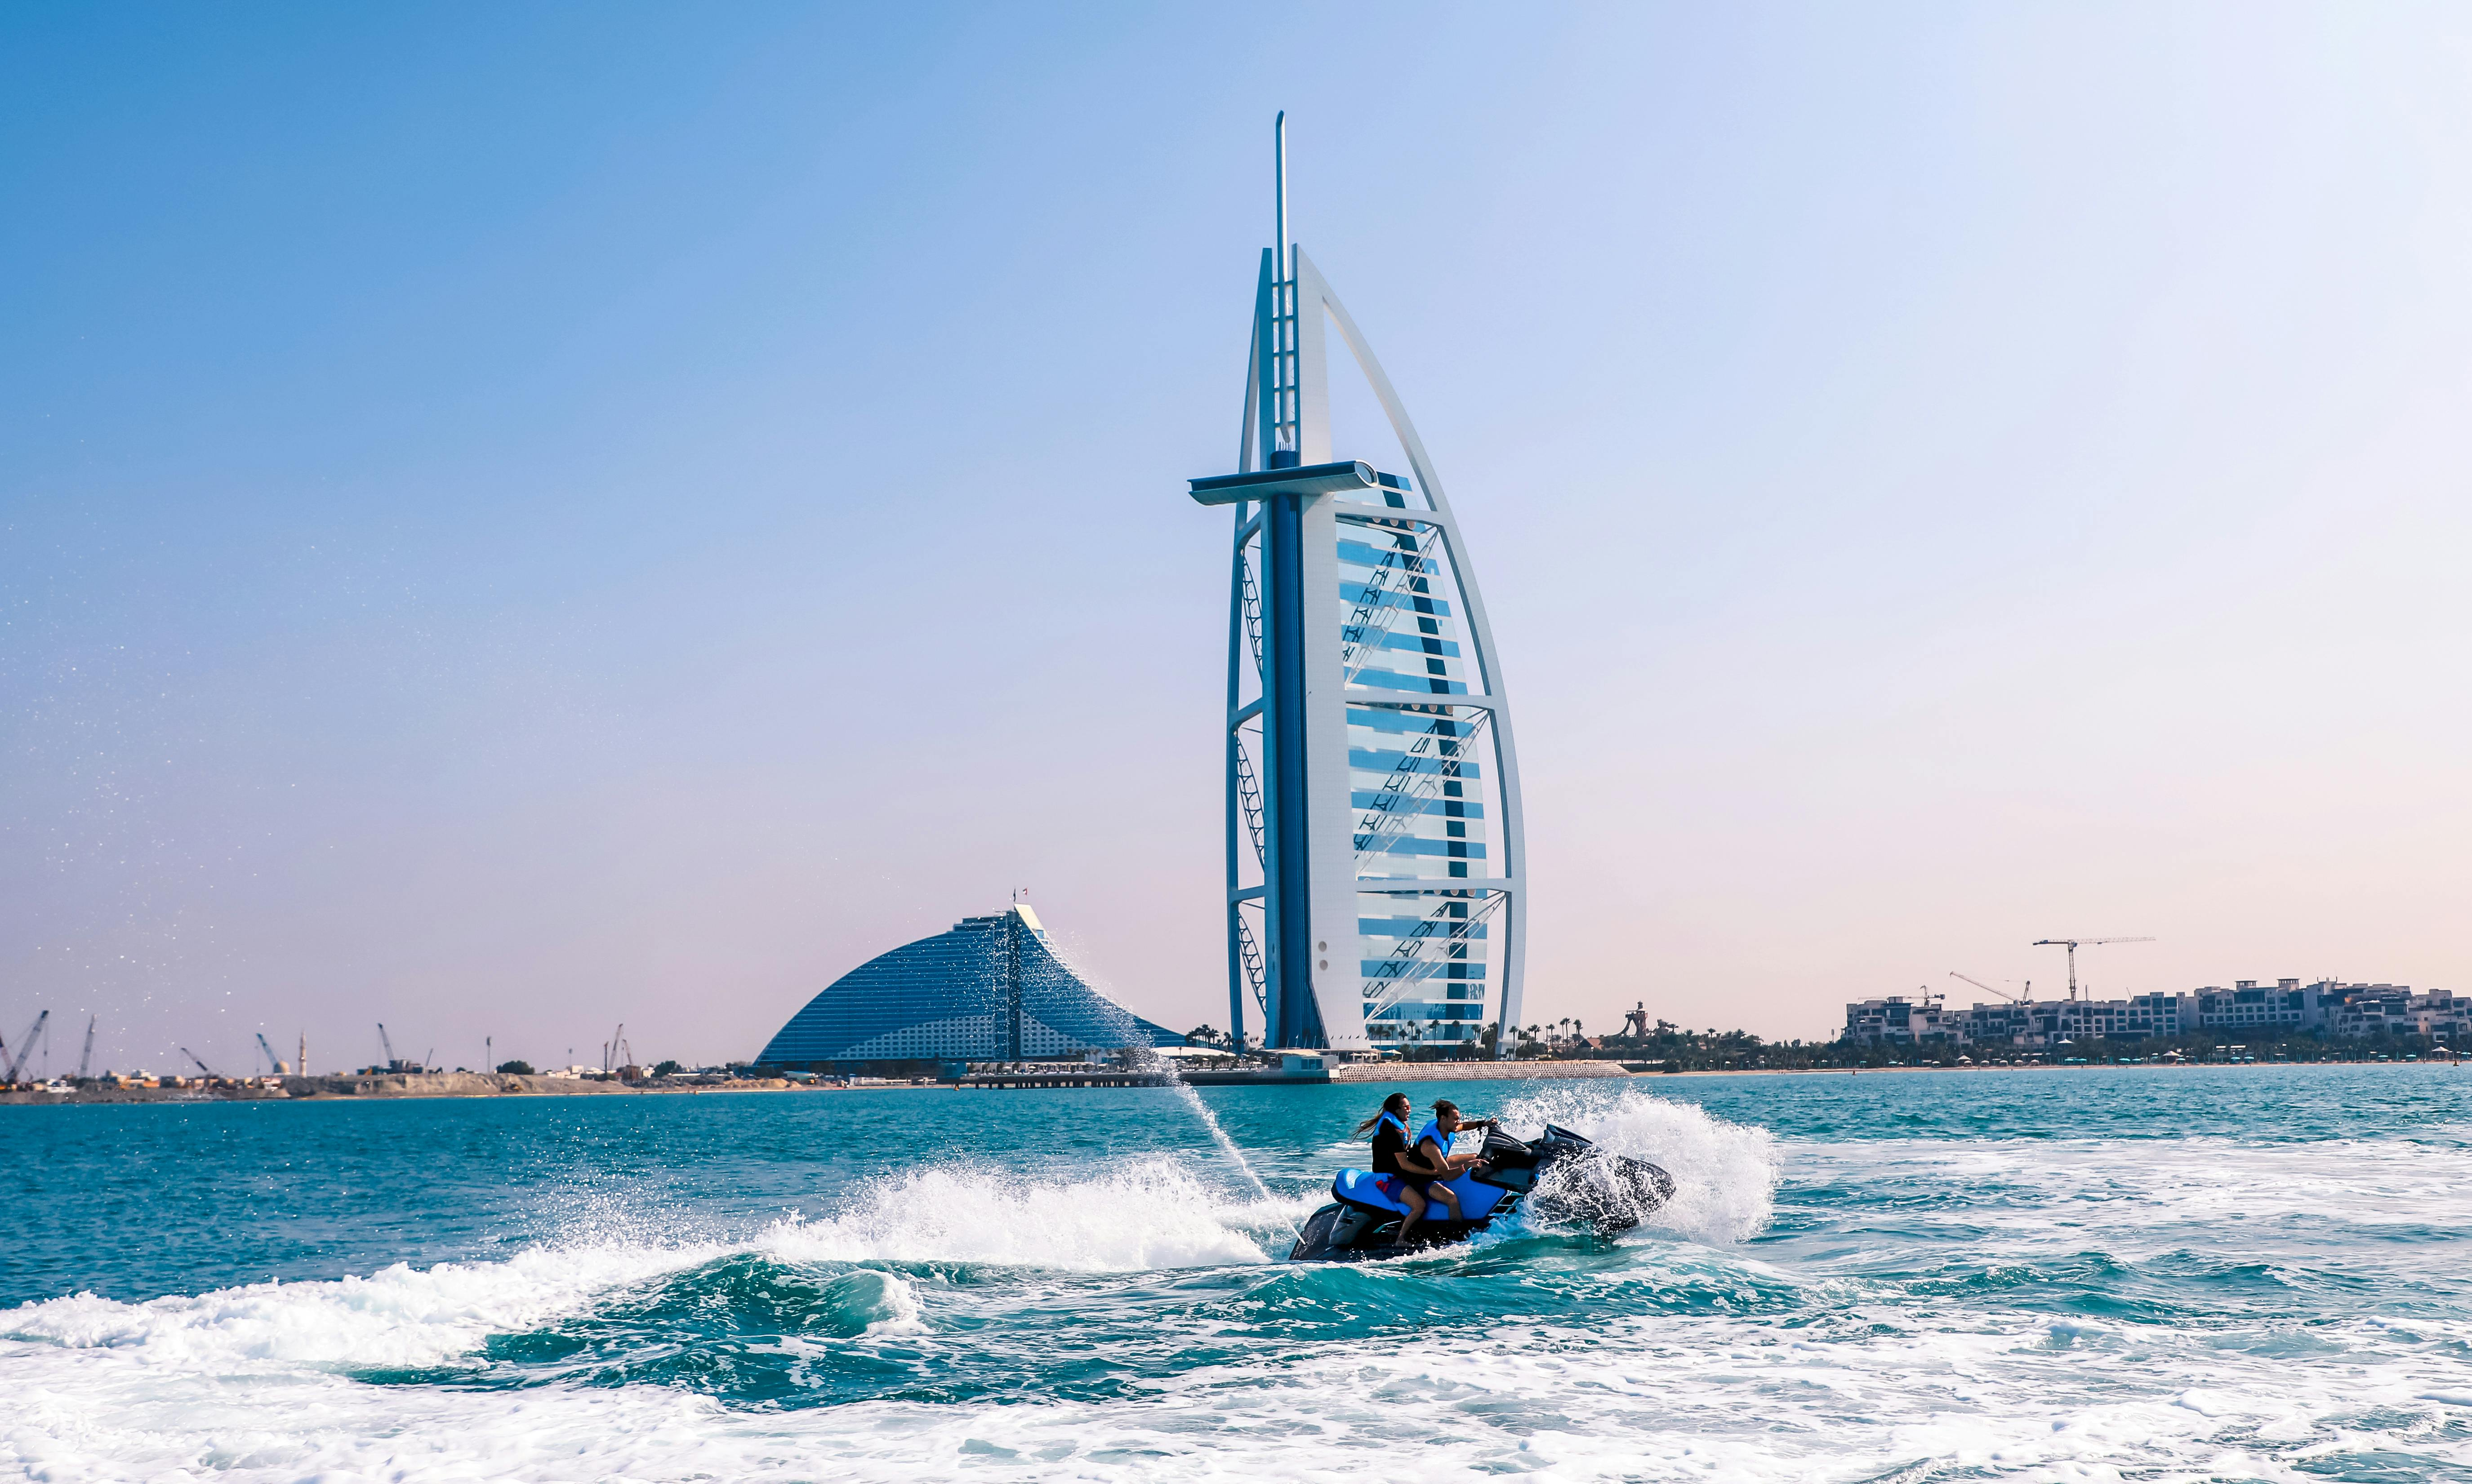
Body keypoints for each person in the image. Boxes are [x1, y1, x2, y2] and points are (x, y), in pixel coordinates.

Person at [1353, 1092, 1445, 1246]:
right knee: (1419, 1205)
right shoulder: (1391, 1130)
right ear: (1397, 1110)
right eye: (1406, 1107)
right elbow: (1405, 1165)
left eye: (1410, 1107)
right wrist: (1432, 1172)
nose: (1410, 1110)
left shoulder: (1398, 1126)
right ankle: (1400, 1239)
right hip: (1387, 1179)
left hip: (1399, 1175)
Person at [1410, 1100, 1498, 1226]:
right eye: (1456, 1119)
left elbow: (1463, 1126)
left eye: (1459, 1119)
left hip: (1437, 1166)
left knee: (1475, 1157)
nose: (1458, 1122)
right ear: (1443, 1118)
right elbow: (1447, 1176)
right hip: (1423, 1180)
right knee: (1452, 1199)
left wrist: (1484, 1123)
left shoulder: (1445, 1126)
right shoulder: (1430, 1145)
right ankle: (1457, 1230)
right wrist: (1467, 1166)